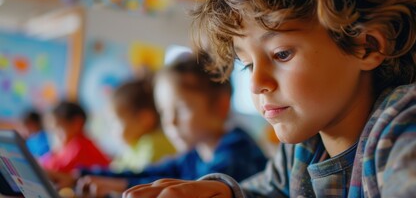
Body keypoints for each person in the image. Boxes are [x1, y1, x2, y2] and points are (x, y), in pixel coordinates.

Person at [123, 0, 416, 197]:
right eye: (247, 65)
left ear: (366, 46)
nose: (257, 84)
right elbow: (266, 191)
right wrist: (223, 191)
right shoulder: (302, 148)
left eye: (282, 54)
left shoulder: (406, 124)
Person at [64, 53, 267, 197]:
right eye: (164, 112)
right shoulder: (195, 154)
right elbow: (149, 174)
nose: (170, 121)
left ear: (220, 106)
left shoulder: (237, 151)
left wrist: (119, 187)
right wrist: (78, 177)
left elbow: (190, 190)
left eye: (180, 109)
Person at [108, 75, 176, 173]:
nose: (112, 130)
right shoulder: (133, 149)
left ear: (145, 119)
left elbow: (142, 177)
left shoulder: (154, 145)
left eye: (116, 122)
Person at [40, 100, 110, 173]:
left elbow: (57, 170)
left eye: (58, 129)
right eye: (52, 131)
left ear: (77, 123)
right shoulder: (68, 147)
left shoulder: (80, 146)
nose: (55, 136)